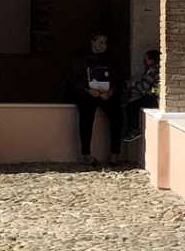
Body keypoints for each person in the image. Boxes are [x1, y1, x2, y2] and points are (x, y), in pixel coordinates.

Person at [69, 31, 122, 167]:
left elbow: (117, 78)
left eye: (105, 42)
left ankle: (115, 154)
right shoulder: (81, 58)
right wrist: (88, 90)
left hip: (106, 94)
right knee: (86, 118)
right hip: (88, 95)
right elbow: (75, 79)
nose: (104, 45)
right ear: (92, 42)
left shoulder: (110, 58)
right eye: (100, 42)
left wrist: (110, 92)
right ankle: (86, 154)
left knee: (117, 116)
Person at [123, 48, 161, 144]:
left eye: (146, 59)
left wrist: (132, 84)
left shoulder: (153, 70)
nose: (144, 61)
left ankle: (134, 130)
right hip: (154, 97)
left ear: (152, 60)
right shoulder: (154, 69)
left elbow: (143, 88)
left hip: (154, 99)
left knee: (132, 105)